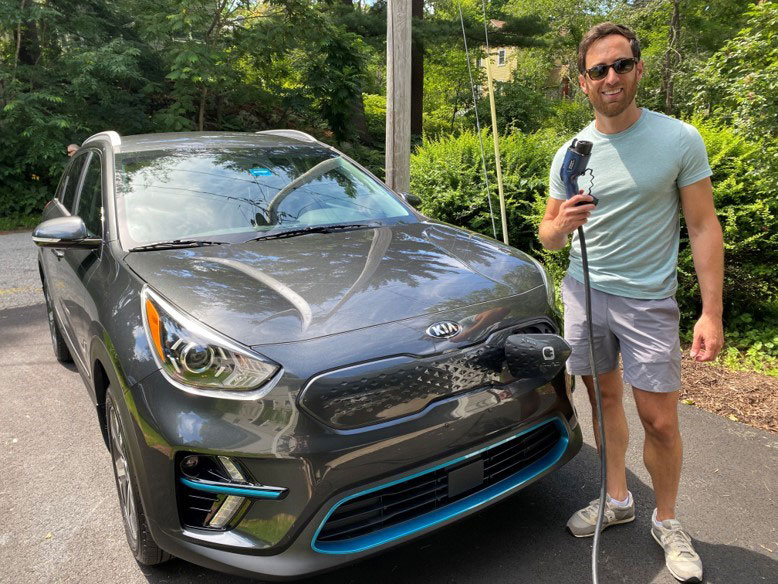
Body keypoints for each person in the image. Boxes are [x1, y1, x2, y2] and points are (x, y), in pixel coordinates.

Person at [538, 22, 724, 584]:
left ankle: (667, 520)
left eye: (621, 65)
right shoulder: (569, 151)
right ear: (583, 82)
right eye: (599, 70)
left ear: (639, 69)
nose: (611, 77)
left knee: (660, 420)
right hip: (583, 291)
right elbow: (547, 236)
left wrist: (711, 310)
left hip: (647, 302)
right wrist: (562, 224)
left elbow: (702, 224)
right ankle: (617, 498)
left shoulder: (679, 139)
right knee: (602, 401)